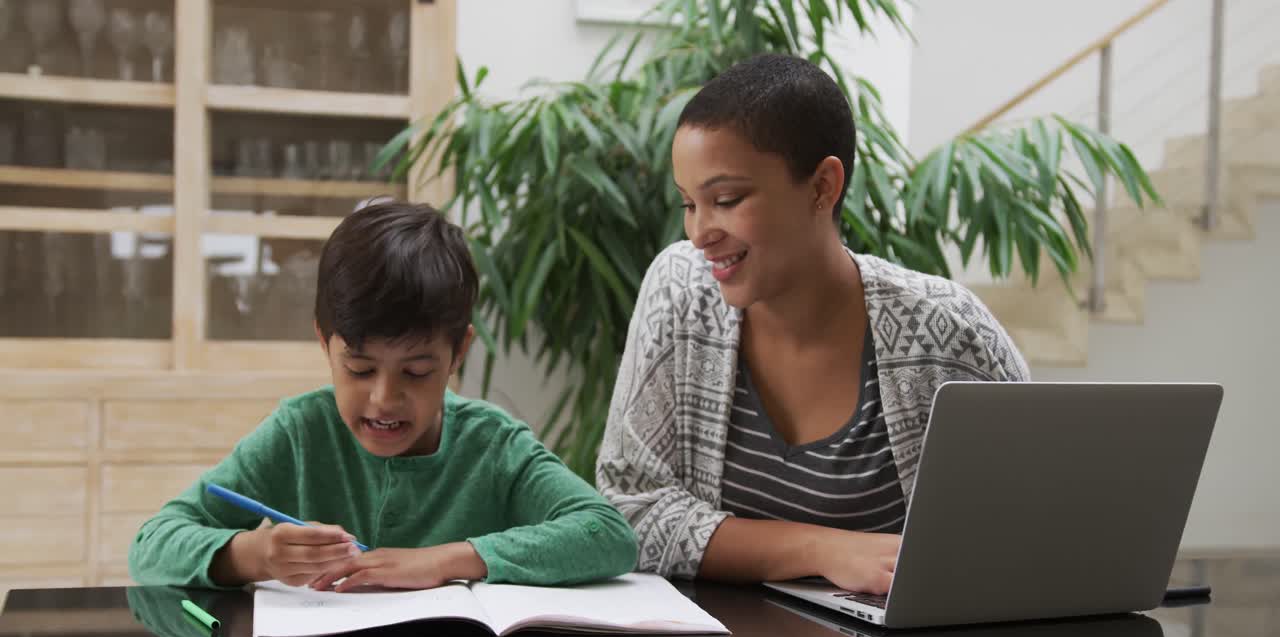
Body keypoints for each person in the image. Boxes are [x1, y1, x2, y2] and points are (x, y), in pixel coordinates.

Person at [597, 54, 1028, 595]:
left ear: (823, 187)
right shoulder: (680, 291)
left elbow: (1028, 533)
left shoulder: (950, 334)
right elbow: (628, 510)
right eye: (689, 203)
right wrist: (821, 550)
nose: (700, 232)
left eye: (726, 200)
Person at [129, 201, 636, 590]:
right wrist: (253, 555)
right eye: (359, 369)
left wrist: (444, 560)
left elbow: (607, 534)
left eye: (416, 372)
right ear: (324, 343)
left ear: (458, 352)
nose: (384, 399)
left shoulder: (493, 445)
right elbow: (152, 544)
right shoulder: (300, 433)